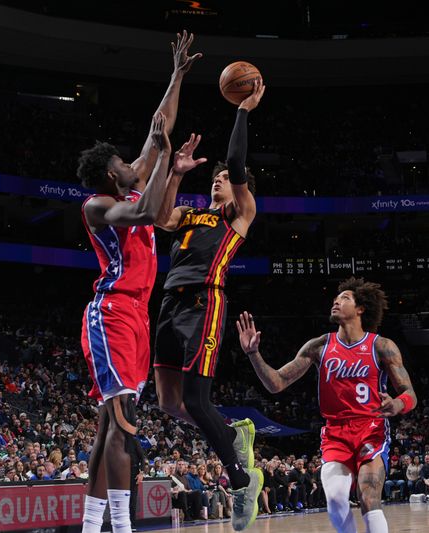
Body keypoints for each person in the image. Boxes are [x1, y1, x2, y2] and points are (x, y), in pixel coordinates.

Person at [75, 30, 203, 530]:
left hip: (133, 314)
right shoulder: (100, 206)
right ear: (111, 177)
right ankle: (122, 527)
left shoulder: (124, 184)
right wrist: (168, 170)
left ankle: (91, 526)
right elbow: (151, 209)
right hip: (112, 314)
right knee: (123, 424)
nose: (132, 164)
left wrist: (175, 77)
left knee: (111, 424)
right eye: (123, 165)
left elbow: (156, 131)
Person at [153, 78, 266, 532]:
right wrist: (176, 171)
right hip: (168, 305)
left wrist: (244, 109)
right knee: (167, 402)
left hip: (206, 302)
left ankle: (242, 482)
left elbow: (237, 160)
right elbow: (160, 216)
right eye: (215, 179)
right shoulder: (191, 215)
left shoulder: (239, 213)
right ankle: (235, 429)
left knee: (197, 402)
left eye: (223, 179)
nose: (218, 181)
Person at [238, 277, 417, 533]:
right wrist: (253, 355)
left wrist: (398, 404)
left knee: (368, 498)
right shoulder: (319, 346)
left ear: (360, 309)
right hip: (335, 432)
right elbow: (276, 383)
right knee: (334, 500)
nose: (336, 301)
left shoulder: (381, 346)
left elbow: (410, 393)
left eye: (345, 298)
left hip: (371, 428)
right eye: (336, 297)